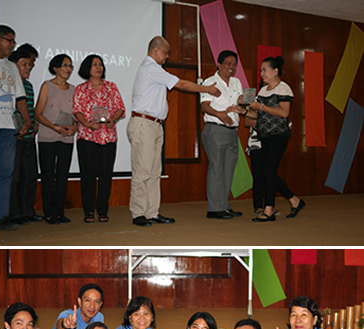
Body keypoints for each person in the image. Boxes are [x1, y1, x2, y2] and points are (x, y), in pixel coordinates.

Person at [128, 36, 221, 227]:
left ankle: (152, 212)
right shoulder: (150, 68)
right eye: (166, 52)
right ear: (155, 51)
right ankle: (138, 213)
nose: (167, 56)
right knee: (143, 171)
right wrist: (207, 90)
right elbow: (181, 84)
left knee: (154, 172)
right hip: (144, 124)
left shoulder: (156, 70)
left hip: (155, 125)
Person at [233, 56, 304, 222]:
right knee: (268, 172)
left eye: (264, 70)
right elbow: (258, 114)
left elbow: (284, 113)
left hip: (278, 135)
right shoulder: (263, 91)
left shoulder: (284, 88)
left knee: (269, 172)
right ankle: (294, 200)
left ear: (275, 71)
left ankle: (269, 210)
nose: (261, 73)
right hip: (264, 135)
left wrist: (262, 107)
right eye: (260, 70)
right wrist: (243, 111)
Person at [73, 54, 125, 223]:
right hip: (87, 136)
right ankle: (88, 211)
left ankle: (102, 210)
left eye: (101, 64)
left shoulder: (111, 87)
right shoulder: (81, 89)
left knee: (105, 175)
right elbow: (77, 111)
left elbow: (120, 108)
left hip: (108, 137)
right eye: (95, 64)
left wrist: (113, 120)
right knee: (87, 175)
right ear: (87, 68)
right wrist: (87, 124)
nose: (99, 67)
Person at [0, 25, 31, 231]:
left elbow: (20, 97)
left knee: (6, 173)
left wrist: (26, 121)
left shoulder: (10, 67)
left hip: (8, 127)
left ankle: (0, 217)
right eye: (9, 40)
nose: (12, 45)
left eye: (13, 41)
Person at [201, 50, 244, 220]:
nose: (231, 67)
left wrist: (241, 107)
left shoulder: (237, 82)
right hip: (215, 129)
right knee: (216, 168)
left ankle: (224, 206)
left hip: (233, 130)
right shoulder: (210, 82)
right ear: (218, 64)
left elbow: (240, 100)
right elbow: (204, 106)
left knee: (228, 170)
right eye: (228, 63)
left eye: (234, 64)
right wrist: (220, 114)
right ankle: (213, 209)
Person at [35, 54, 77, 224]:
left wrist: (74, 127)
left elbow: (77, 115)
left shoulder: (74, 89)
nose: (68, 69)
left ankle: (59, 212)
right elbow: (38, 113)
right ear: (55, 68)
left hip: (67, 137)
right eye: (65, 65)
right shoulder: (47, 86)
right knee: (48, 176)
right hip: (48, 136)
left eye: (70, 66)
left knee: (62, 176)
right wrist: (54, 127)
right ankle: (49, 213)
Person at [8, 43, 44, 225]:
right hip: (15, 138)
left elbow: (30, 110)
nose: (29, 68)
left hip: (30, 137)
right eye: (25, 64)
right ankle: (15, 214)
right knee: (15, 177)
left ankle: (28, 211)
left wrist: (35, 123)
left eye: (30, 65)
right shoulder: (7, 86)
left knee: (31, 175)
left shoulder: (29, 86)